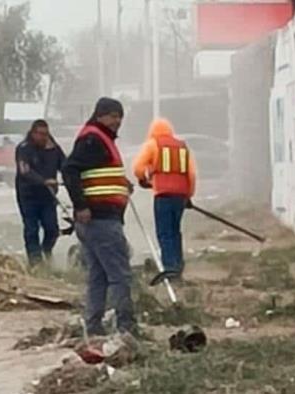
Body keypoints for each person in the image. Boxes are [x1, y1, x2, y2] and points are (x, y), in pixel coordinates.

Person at [63, 97, 137, 336]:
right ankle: (125, 328)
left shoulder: (98, 139)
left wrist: (121, 183)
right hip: (100, 219)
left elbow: (95, 173)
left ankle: (94, 326)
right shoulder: (94, 139)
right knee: (120, 276)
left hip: (98, 220)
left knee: (99, 276)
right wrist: (80, 205)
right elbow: (70, 169)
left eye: (120, 117)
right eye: (114, 116)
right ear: (100, 115)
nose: (118, 121)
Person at [133, 118, 196, 280]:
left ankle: (170, 268)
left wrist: (145, 178)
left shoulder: (153, 144)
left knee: (165, 232)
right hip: (180, 196)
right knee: (175, 231)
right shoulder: (182, 146)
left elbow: (138, 167)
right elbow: (192, 174)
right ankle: (178, 265)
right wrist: (189, 195)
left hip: (163, 194)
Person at [15, 119, 66, 265]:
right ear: (33, 133)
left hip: (47, 196)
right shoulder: (24, 149)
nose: (43, 137)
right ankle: (35, 261)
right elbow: (25, 171)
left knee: (52, 229)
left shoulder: (54, 148)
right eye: (40, 134)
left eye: (45, 134)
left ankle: (46, 250)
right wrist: (43, 181)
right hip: (28, 196)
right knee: (31, 229)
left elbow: (65, 165)